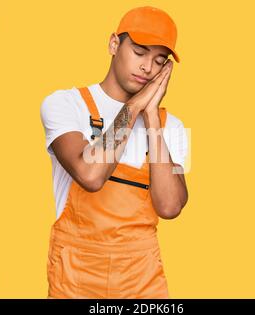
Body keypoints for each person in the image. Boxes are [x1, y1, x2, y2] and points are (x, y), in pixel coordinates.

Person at [40, 6, 188, 298]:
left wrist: (152, 119)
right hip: (75, 278)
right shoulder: (65, 104)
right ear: (113, 44)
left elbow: (170, 207)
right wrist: (134, 107)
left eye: (159, 61)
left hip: (141, 280)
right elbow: (91, 175)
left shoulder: (173, 126)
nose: (147, 67)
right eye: (139, 51)